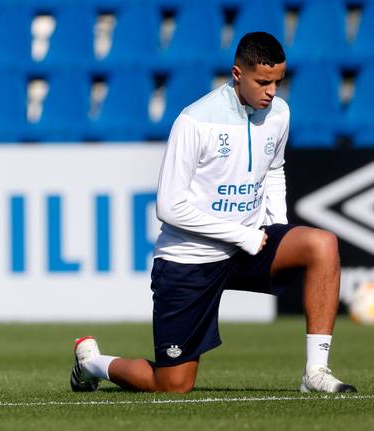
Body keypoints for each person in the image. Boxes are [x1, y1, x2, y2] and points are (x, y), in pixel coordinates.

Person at [70, 32, 357, 394]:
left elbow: (274, 169)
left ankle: (315, 373)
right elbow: (169, 207)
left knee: (322, 244)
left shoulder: (279, 113)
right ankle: (92, 363)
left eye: (278, 82)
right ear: (237, 74)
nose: (272, 92)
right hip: (189, 259)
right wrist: (243, 234)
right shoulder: (195, 121)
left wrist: (278, 225)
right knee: (172, 384)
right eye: (263, 82)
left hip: (250, 245)